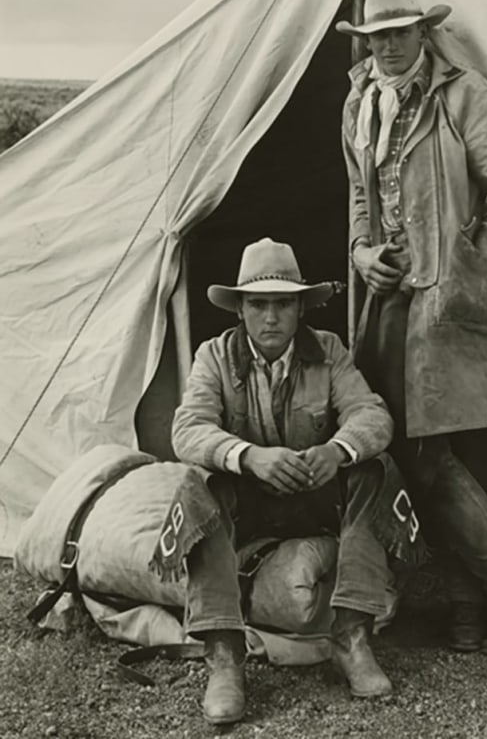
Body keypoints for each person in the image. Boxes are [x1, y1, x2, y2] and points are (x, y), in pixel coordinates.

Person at [338, 0, 487, 654]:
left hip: (456, 303)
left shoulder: (465, 94)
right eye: (378, 37)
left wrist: (479, 272)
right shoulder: (359, 106)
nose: (390, 48)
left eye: (401, 33)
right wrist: (362, 251)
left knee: (484, 451)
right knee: (414, 450)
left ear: (423, 32)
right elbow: (358, 194)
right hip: (390, 307)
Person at [172, 237, 419, 725]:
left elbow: (371, 415)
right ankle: (224, 656)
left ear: (301, 308)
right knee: (197, 481)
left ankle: (351, 636)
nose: (270, 318)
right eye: (258, 305)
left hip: (314, 500)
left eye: (283, 304)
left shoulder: (329, 351)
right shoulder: (213, 356)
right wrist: (248, 457)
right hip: (247, 507)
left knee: (375, 467)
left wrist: (337, 449)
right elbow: (187, 428)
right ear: (239, 309)